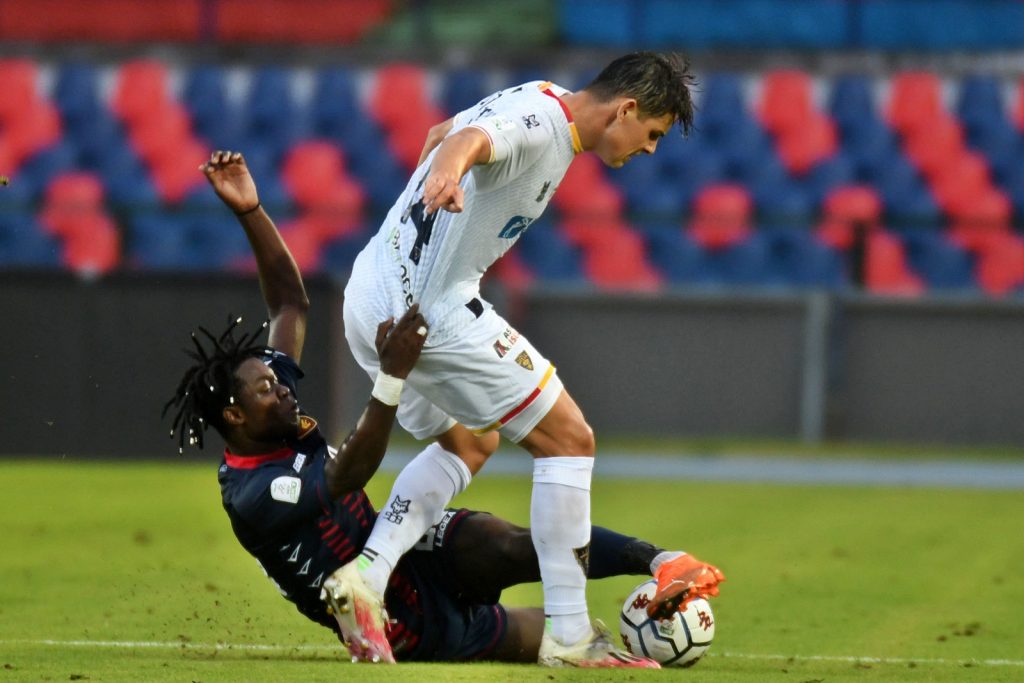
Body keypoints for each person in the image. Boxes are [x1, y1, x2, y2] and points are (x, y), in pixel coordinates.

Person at [164, 150, 709, 667]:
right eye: (266, 390)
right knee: (547, 637)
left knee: (508, 543)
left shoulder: (270, 413)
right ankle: (593, 635)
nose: (283, 388)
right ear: (234, 418)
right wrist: (392, 375)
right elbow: (350, 471)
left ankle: (658, 560)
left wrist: (251, 212)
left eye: (274, 380)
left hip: (409, 551)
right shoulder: (254, 493)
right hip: (404, 619)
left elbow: (288, 301)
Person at [338, 52, 725, 666]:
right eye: (652, 133)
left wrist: (439, 186)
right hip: (429, 316)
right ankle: (570, 634)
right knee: (569, 439)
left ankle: (367, 573)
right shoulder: (542, 125)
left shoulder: (538, 95)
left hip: (369, 294)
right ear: (625, 109)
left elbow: (442, 130)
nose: (650, 149)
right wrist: (448, 173)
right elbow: (461, 141)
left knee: (470, 443)